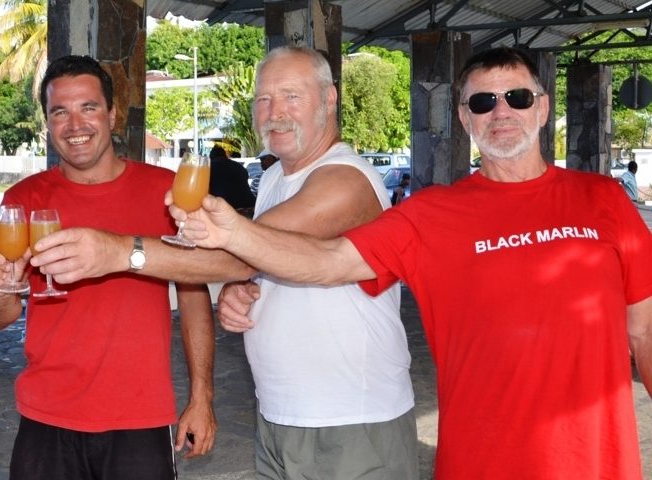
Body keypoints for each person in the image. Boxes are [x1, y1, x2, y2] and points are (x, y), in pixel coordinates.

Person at [171, 46, 652, 480]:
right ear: (465, 117)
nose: (501, 112)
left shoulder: (604, 200)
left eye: (518, 98)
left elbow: (645, 331)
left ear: (543, 107)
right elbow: (329, 260)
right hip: (479, 462)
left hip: (596, 460)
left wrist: (232, 247)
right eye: (482, 102)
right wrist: (241, 243)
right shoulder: (432, 213)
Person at [28, 46, 417, 480]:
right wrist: (248, 290)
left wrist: (121, 252)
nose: (275, 112)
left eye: (292, 96)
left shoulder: (345, 179)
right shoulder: (274, 178)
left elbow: (235, 254)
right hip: (280, 416)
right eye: (264, 99)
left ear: (329, 100)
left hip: (350, 419)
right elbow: (270, 252)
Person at [0, 55, 217, 480]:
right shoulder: (23, 198)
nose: (75, 125)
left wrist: (202, 396)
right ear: (47, 124)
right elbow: (1, 318)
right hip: (46, 414)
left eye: (88, 107)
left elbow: (194, 294)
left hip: (140, 415)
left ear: (112, 113)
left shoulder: (165, 191)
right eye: (59, 112)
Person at [208, 144, 256, 211]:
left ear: (210, 157)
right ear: (225, 155)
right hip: (248, 205)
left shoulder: (209, 168)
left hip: (226, 208)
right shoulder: (239, 166)